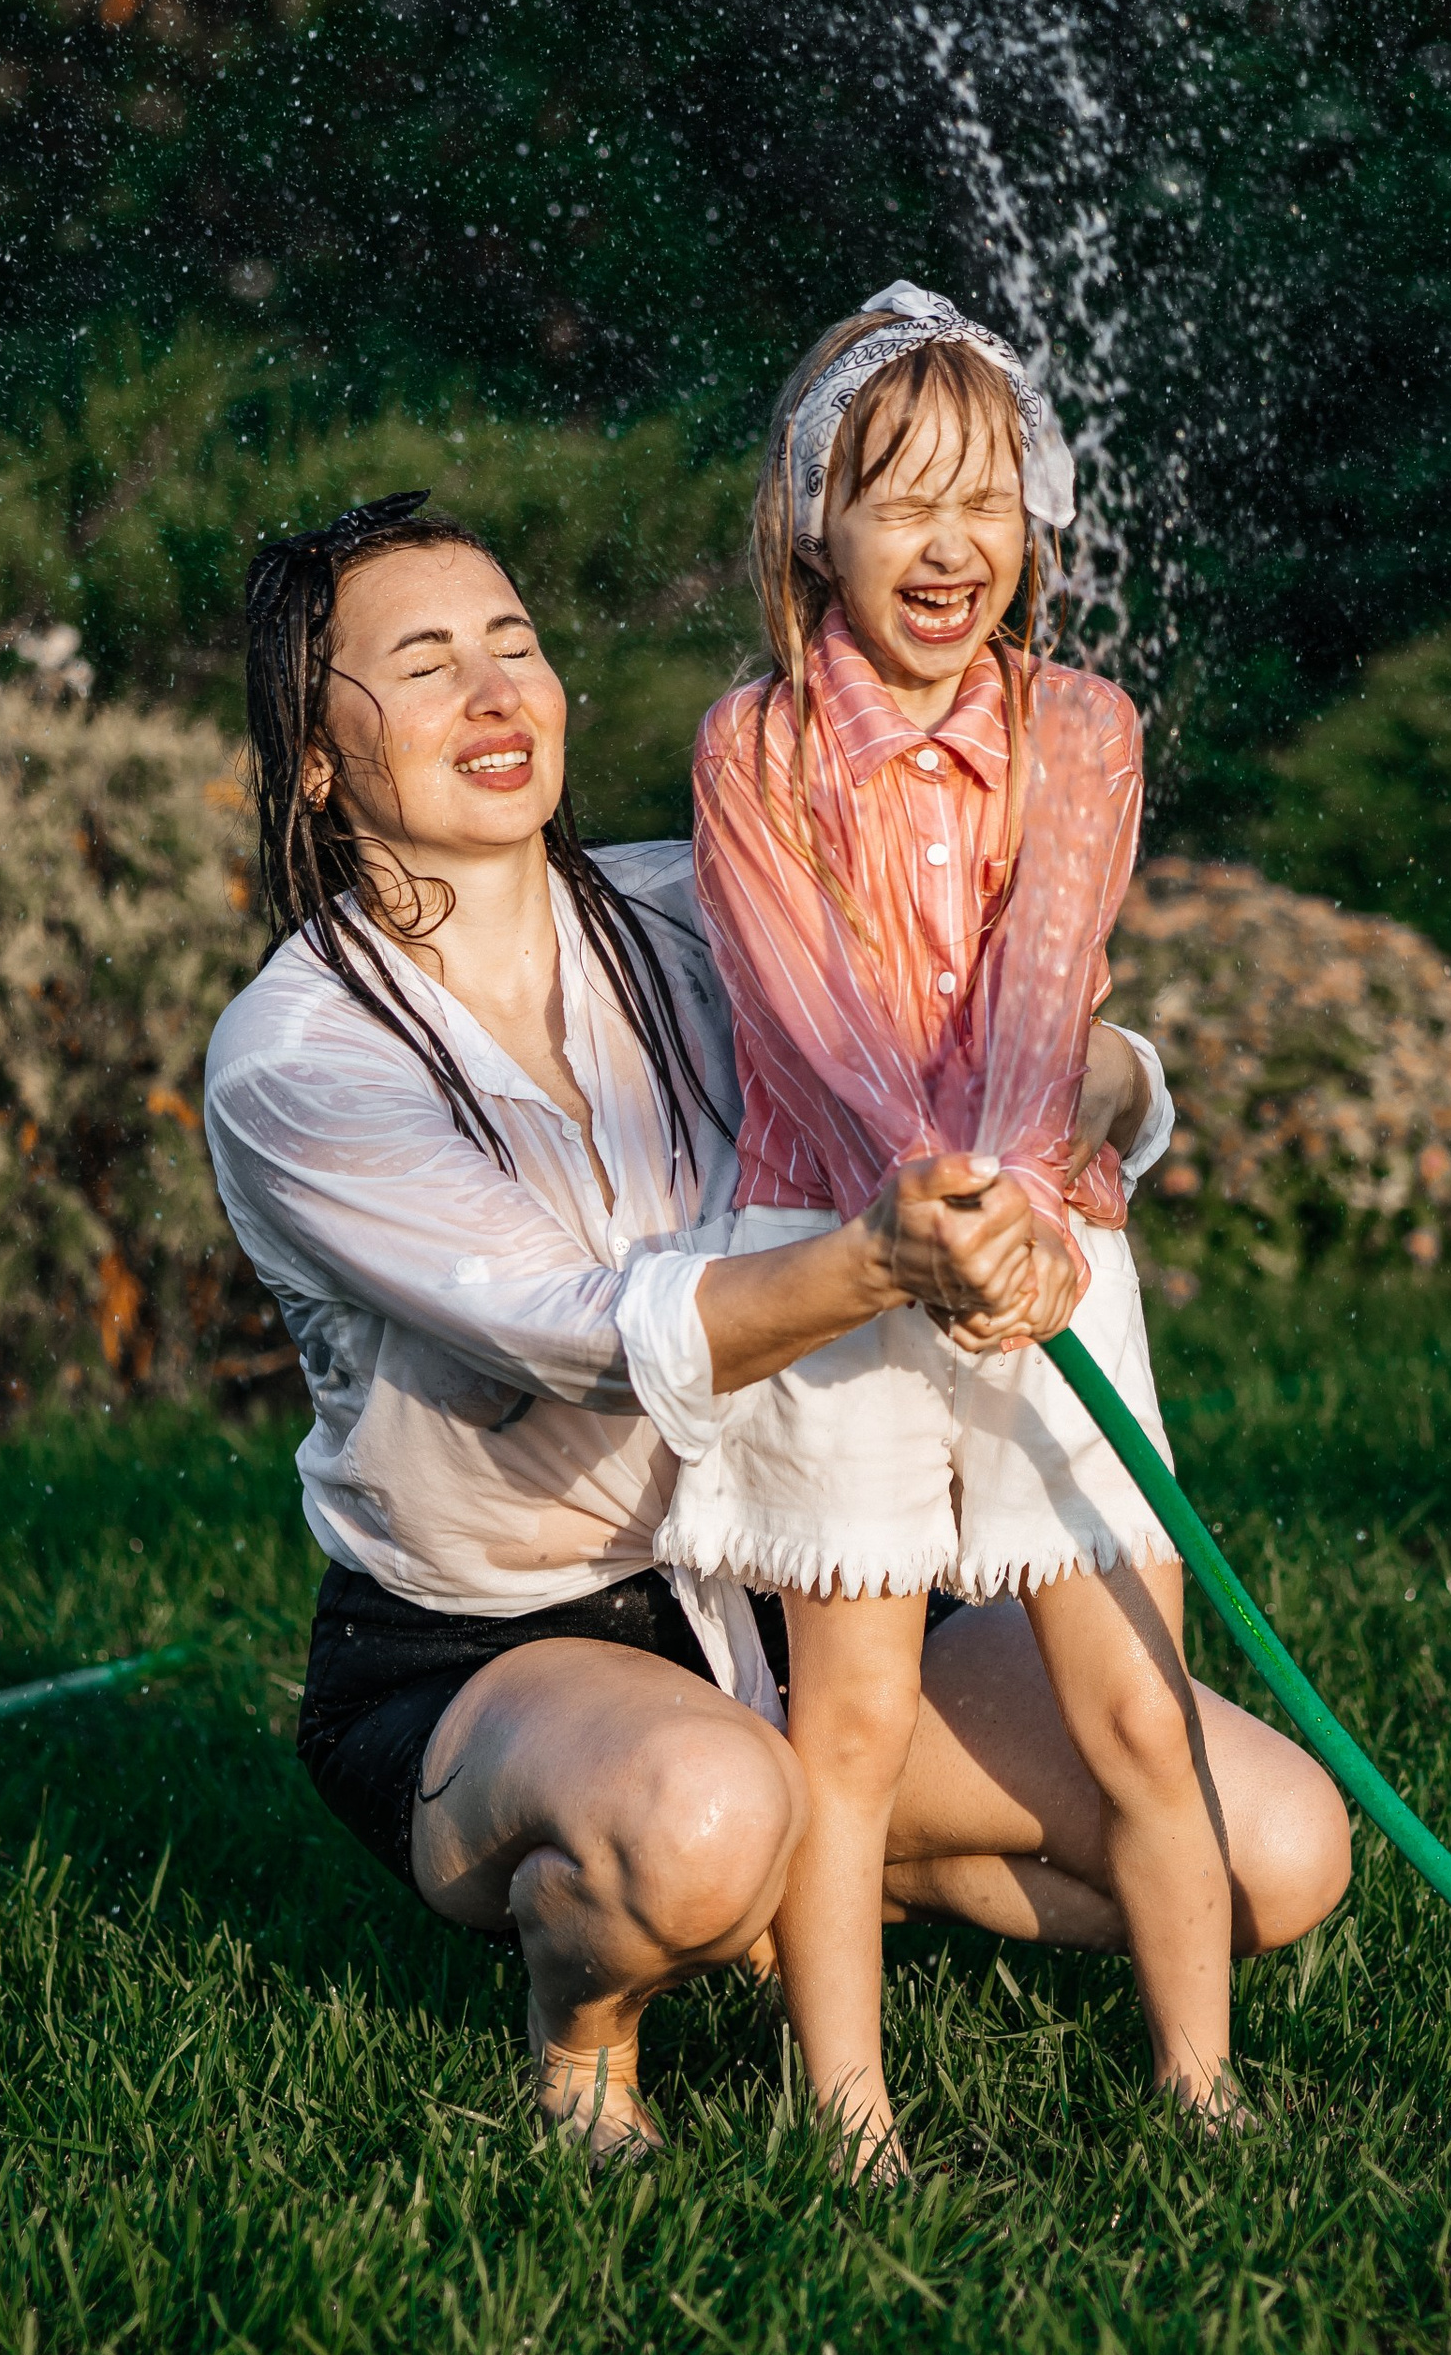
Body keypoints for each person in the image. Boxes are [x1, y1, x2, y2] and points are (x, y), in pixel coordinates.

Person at [203, 485, 1350, 2165]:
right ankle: (586, 2040)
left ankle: (814, 1870)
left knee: (1284, 1848)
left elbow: (1050, 1051)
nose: (497, 691)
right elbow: (577, 1332)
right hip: (511, 1644)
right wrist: (885, 1259)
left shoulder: (700, 900)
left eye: (515, 645)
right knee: (702, 1811)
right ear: (315, 759)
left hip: (821, 1573)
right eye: (428, 662)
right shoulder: (300, 1058)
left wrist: (1053, 1144)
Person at [674, 288, 1246, 2179]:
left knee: (1140, 1713)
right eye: (901, 499)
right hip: (843, 1262)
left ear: (1035, 521)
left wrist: (1020, 1227)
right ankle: (853, 2131)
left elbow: (1045, 980)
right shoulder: (756, 747)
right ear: (812, 524)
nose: (950, 546)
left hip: (1045, 1260)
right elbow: (816, 1017)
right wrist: (934, 1214)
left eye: (987, 500)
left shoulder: (1082, 728)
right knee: (848, 1719)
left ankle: (1205, 2093)